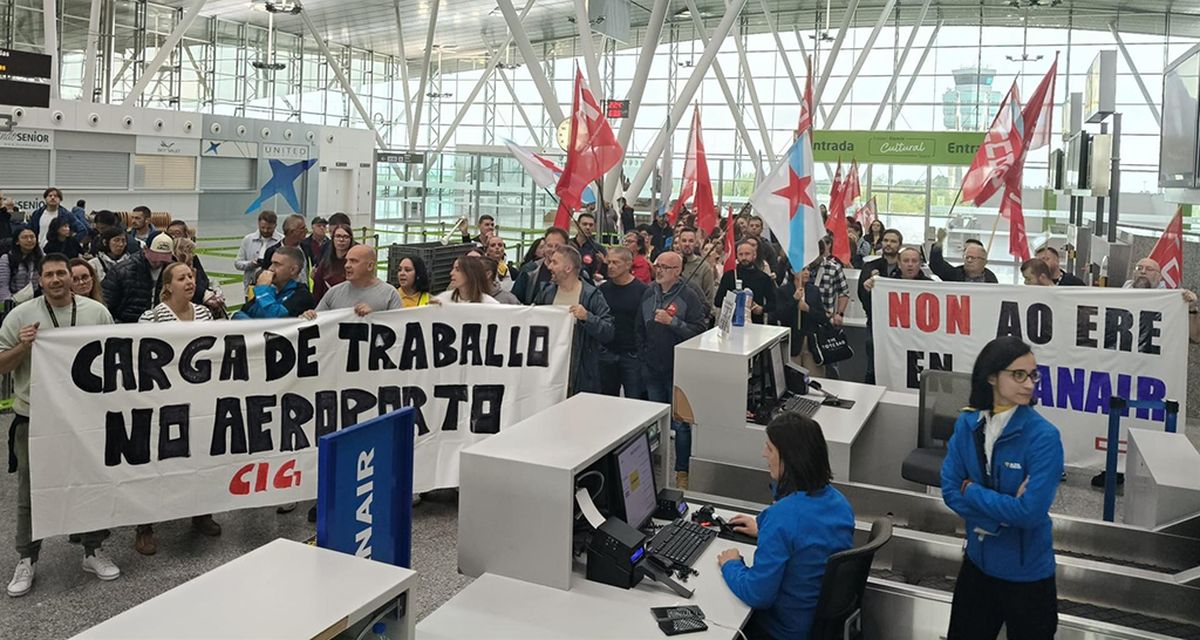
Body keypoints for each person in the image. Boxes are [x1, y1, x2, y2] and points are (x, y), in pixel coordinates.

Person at [3, 253, 121, 597]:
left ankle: (93, 549)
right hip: (34, 416)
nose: (55, 279)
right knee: (31, 490)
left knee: (90, 482)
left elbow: (115, 359)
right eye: (49, 275)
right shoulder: (21, 315)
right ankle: (27, 558)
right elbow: (0, 365)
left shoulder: (96, 313)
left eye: (61, 273)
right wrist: (23, 347)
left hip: (85, 416)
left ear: (73, 277)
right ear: (39, 280)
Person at [940, 336, 1063, 640]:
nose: (1029, 383)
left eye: (1032, 374)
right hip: (978, 566)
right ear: (992, 377)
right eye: (1018, 374)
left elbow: (1030, 513)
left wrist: (973, 492)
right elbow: (949, 490)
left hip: (1027, 577)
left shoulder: (1044, 437)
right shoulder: (968, 423)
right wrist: (1002, 514)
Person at [718, 412, 855, 640]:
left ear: (790, 459)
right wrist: (764, 530)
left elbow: (757, 594)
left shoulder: (783, 518)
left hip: (781, 631)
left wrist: (731, 564)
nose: (764, 454)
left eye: (770, 449)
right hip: (814, 624)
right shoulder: (840, 503)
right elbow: (809, 541)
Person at [134, 261, 221, 554]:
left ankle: (201, 513)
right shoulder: (151, 317)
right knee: (157, 460)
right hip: (163, 400)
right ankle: (144, 525)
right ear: (167, 286)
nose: (190, 281)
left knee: (200, 456)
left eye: (192, 276)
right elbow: (142, 357)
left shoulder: (205, 313)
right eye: (182, 277)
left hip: (200, 398)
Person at [638, 251, 707, 488]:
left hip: (678, 370)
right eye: (657, 265)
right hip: (652, 368)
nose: (659, 270)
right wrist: (643, 355)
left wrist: (673, 323)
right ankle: (653, 467)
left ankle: (682, 472)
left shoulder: (690, 296)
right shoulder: (649, 292)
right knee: (655, 421)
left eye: (665, 267)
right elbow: (639, 329)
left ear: (677, 271)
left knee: (680, 424)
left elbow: (700, 331)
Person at [534, 244, 614, 395]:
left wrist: (587, 318)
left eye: (554, 262)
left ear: (568, 268)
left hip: (580, 373)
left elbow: (608, 331)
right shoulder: (546, 293)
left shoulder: (591, 295)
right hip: (550, 371)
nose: (549, 266)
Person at [598, 247, 648, 399]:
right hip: (607, 353)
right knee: (607, 399)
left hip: (632, 354)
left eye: (615, 263)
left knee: (635, 400)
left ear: (628, 265)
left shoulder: (642, 291)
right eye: (609, 262)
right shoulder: (602, 290)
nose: (610, 266)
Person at [308, 245, 402, 318]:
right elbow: (317, 322)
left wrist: (374, 318)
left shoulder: (390, 294)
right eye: (347, 261)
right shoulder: (333, 292)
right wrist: (307, 317)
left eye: (353, 261)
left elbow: (399, 329)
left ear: (370, 266)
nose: (347, 265)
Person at [102, 233, 176, 323]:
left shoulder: (175, 271)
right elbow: (106, 303)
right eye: (154, 256)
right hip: (128, 325)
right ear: (145, 249)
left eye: (163, 257)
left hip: (164, 324)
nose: (158, 261)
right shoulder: (121, 271)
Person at [234, 247, 316, 320]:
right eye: (271, 263)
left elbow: (275, 318)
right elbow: (241, 313)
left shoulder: (302, 295)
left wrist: (263, 289)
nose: (270, 268)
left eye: (277, 264)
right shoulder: (272, 290)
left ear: (293, 270)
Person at [714, 240, 776, 324]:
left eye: (747, 254)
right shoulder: (729, 276)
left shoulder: (763, 277)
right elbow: (718, 301)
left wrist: (762, 309)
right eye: (741, 254)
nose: (744, 258)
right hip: (732, 323)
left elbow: (773, 303)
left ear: (754, 255)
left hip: (756, 324)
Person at [857, 228, 904, 323]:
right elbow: (861, 293)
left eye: (893, 241)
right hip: (876, 320)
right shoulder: (869, 266)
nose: (888, 244)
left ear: (900, 245)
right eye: (885, 240)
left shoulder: (905, 268)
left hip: (900, 321)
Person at [513, 227, 568, 305]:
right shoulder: (528, 270)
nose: (553, 250)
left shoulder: (576, 272)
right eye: (549, 245)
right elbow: (515, 301)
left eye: (558, 246)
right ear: (544, 247)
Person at [809, 237, 851, 330]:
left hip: (825, 317)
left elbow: (843, 292)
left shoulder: (833, 267)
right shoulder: (799, 267)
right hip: (802, 316)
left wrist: (839, 314)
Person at [234, 210, 282, 290]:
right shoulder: (248, 239)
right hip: (251, 286)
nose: (265, 231)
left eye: (269, 228)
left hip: (274, 288)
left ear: (275, 225)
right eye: (262, 227)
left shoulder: (281, 240)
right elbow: (237, 263)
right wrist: (251, 264)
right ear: (258, 224)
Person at [676, 227, 716, 314]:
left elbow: (709, 297)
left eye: (691, 241)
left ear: (696, 243)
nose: (687, 244)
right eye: (684, 240)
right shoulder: (671, 263)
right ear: (679, 242)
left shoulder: (704, 267)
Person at [260, 214, 310, 284]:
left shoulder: (306, 247)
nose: (306, 231)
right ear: (291, 232)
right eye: (302, 228)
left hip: (303, 292)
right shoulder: (272, 251)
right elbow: (266, 276)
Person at [313, 223, 356, 302]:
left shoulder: (355, 263)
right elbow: (317, 291)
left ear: (351, 240)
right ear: (333, 239)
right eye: (338, 236)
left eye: (345, 237)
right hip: (327, 306)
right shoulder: (325, 263)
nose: (341, 240)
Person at [0, 228, 42, 304]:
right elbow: (3, 286)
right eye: (24, 237)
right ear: (17, 241)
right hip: (15, 300)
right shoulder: (7, 259)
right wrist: (8, 304)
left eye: (32, 237)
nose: (29, 240)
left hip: (36, 301)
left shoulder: (41, 258)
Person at [930, 237, 998, 283]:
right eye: (967, 257)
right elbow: (937, 265)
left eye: (973, 258)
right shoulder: (956, 274)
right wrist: (938, 245)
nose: (969, 260)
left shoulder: (991, 279)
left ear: (984, 262)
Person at [572, 212, 607, 280]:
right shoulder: (568, 245)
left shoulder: (599, 248)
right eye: (584, 224)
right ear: (577, 225)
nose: (588, 227)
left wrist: (604, 265)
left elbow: (605, 273)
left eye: (591, 225)